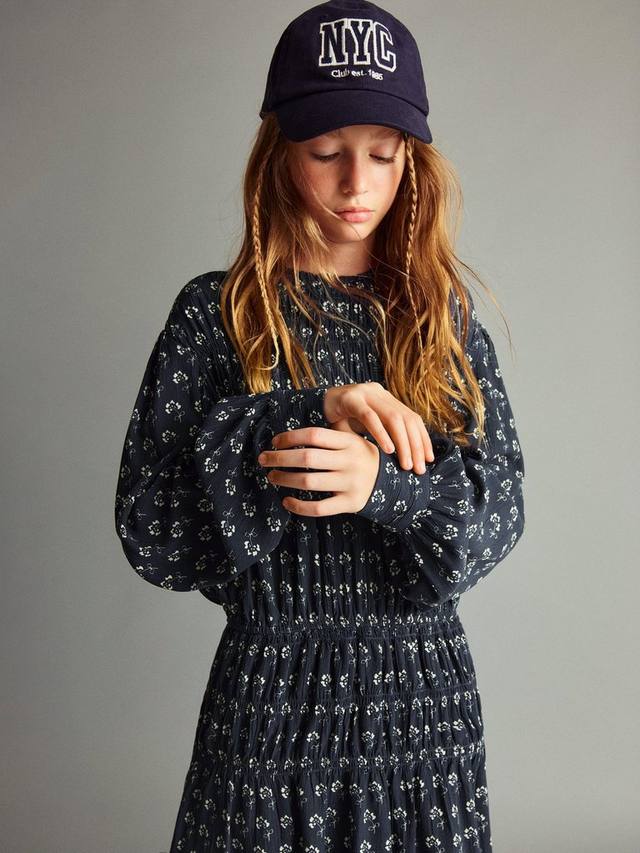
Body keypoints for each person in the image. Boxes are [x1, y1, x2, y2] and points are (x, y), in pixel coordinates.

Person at [114, 0, 526, 849]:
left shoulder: (442, 320)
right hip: (266, 702)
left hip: (422, 714)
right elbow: (151, 532)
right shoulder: (215, 317)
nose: (356, 184)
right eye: (327, 152)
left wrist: (388, 488)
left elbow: (499, 515)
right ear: (279, 153)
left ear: (413, 159)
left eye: (383, 153)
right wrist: (303, 413)